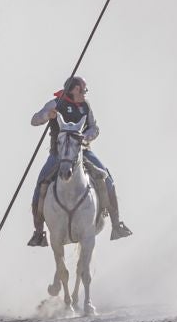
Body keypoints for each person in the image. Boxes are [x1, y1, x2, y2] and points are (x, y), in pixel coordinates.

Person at [28, 76, 131, 245]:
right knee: (40, 187)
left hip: (83, 151)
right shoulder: (55, 104)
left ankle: (116, 224)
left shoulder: (85, 106)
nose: (85, 93)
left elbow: (94, 128)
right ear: (75, 90)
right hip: (58, 154)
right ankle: (39, 233)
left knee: (108, 180)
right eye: (84, 90)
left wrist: (85, 138)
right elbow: (34, 120)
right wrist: (47, 115)